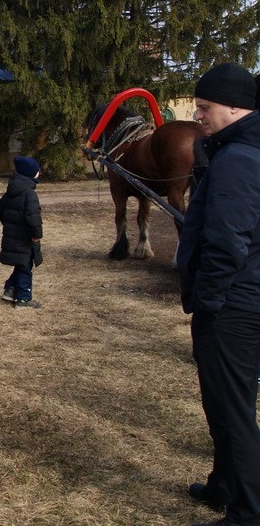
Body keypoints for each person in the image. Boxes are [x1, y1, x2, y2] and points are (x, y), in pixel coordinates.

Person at [175, 63, 260, 525]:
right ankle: (223, 485)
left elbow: (227, 242)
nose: (198, 116)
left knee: (232, 411)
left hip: (232, 307)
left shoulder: (238, 160)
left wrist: (208, 302)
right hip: (238, 301)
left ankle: (247, 511)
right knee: (224, 403)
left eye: (205, 107)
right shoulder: (238, 151)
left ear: (235, 108)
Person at [0, 155, 43, 310]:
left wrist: (10, 225)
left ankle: (10, 290)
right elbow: (33, 218)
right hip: (25, 239)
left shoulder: (11, 191)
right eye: (37, 170)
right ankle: (23, 298)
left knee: (21, 264)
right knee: (25, 267)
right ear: (31, 174)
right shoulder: (29, 194)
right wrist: (36, 236)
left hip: (13, 237)